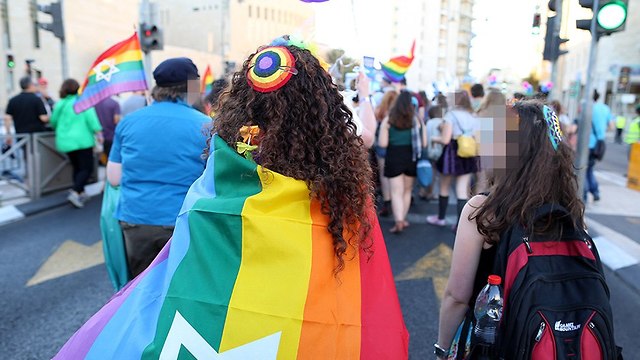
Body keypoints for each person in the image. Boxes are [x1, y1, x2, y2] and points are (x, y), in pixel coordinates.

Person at [55, 37, 408, 359]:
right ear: (323, 105)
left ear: (243, 102)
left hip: (142, 227)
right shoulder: (342, 189)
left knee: (148, 309)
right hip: (305, 333)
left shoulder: (221, 171)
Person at [436, 100, 585, 358]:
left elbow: (456, 297)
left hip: (495, 346)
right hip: (554, 344)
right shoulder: (569, 212)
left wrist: (442, 350)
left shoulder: (483, 210)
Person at [106, 57, 211, 278]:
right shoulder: (206, 126)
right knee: (178, 289)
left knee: (140, 290)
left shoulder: (128, 122)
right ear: (192, 87)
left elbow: (114, 178)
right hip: (183, 221)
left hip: (136, 219)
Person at [427, 91, 480, 231]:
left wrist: (433, 139)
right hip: (468, 152)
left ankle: (441, 218)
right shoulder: (473, 116)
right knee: (462, 190)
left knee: (444, 186)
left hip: (451, 152)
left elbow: (445, 139)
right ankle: (460, 225)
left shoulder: (451, 115)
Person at [49, 79, 103, 208]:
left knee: (77, 167)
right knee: (86, 168)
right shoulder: (83, 101)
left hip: (65, 141)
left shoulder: (60, 104)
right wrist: (98, 133)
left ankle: (81, 192)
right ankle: (75, 191)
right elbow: (92, 120)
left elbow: (53, 121)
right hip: (82, 140)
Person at [378, 91, 426, 233]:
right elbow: (423, 143)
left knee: (395, 191)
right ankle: (403, 219)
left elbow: (382, 143)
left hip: (394, 156)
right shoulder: (417, 120)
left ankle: (398, 220)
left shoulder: (389, 119)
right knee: (407, 190)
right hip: (411, 157)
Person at [474, 88, 507, 193]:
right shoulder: (505, 115)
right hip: (500, 153)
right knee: (497, 186)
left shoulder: (480, 113)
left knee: (481, 183)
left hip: (481, 152)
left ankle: (475, 207)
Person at [585, 90, 613, 202]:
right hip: (598, 144)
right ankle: (595, 191)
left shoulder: (587, 107)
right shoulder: (605, 108)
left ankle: (584, 195)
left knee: (583, 169)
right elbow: (612, 126)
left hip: (586, 144)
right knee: (590, 168)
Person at [3, 76, 50, 146]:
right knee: (38, 155)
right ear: (30, 85)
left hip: (21, 136)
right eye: (35, 85)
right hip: (37, 136)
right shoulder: (37, 100)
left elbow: (7, 118)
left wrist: (8, 134)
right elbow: (43, 118)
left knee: (26, 155)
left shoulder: (13, 100)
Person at [374, 90, 399, 216]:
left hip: (382, 147)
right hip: (396, 148)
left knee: (384, 178)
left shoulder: (380, 111)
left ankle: (387, 204)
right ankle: (398, 206)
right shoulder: (400, 113)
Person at [93, 96, 121, 165]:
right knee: (111, 160)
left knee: (98, 161)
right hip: (111, 136)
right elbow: (116, 120)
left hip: (98, 136)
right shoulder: (114, 103)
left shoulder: (95, 104)